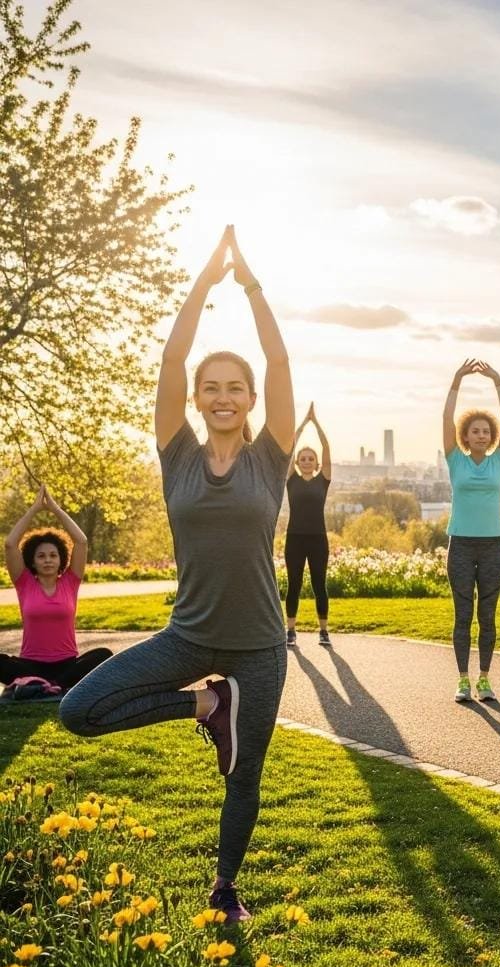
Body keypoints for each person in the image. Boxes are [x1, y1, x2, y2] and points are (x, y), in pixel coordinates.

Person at [60, 226, 294, 922]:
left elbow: (279, 360)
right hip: (188, 638)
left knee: (244, 774)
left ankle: (225, 888)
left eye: (236, 388)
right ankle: (205, 707)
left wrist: (249, 285)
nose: (223, 397)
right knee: (78, 711)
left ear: (250, 399)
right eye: (210, 388)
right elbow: (170, 356)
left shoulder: (270, 458)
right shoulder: (178, 454)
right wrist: (204, 280)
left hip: (257, 644)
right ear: (196, 399)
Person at [443, 359, 500, 702]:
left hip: (492, 546)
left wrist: (497, 381)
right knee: (462, 615)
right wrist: (456, 380)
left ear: (492, 436)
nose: (482, 434)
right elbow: (445, 419)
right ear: (466, 435)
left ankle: (484, 678)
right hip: (461, 544)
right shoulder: (455, 459)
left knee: (487, 615)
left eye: (486, 431)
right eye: (476, 430)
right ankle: (462, 680)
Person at [1, 485, 112, 700]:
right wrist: (34, 509)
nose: (48, 560)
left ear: (61, 558)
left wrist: (55, 509)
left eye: (53, 555)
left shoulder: (71, 581)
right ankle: (49, 686)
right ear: (32, 560)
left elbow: (81, 541)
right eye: (41, 556)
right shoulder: (24, 582)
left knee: (104, 655)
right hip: (29, 665)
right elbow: (10, 544)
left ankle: (43, 686)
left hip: (67, 665)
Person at [285, 402, 332, 648]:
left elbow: (325, 447)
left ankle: (323, 631)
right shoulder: (291, 479)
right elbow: (289, 446)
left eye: (310, 458)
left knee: (318, 584)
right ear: (297, 462)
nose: (305, 461)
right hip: (294, 538)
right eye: (302, 458)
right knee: (294, 584)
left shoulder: (323, 480)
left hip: (317, 539)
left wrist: (316, 423)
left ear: (316, 463)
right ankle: (290, 630)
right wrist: (303, 423)